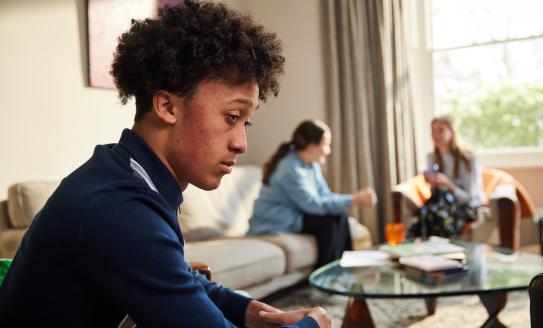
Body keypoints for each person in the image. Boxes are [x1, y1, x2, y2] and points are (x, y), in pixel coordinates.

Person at [0, 2, 331, 327]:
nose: (241, 144)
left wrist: (252, 313)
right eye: (231, 117)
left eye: (245, 123)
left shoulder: (125, 172)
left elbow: (175, 274)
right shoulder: (119, 208)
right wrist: (312, 324)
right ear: (167, 107)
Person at [248, 120, 377, 268]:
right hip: (274, 220)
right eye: (326, 144)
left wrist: (352, 199)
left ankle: (344, 271)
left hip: (296, 214)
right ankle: (323, 278)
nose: (328, 151)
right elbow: (313, 205)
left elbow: (325, 196)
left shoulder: (312, 165)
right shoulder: (290, 169)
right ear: (311, 146)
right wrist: (354, 200)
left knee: (340, 216)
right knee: (327, 223)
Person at [409, 115, 485, 238]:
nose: (436, 135)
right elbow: (436, 194)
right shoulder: (431, 157)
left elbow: (471, 198)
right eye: (433, 130)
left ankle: (441, 249)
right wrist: (432, 182)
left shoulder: (468, 159)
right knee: (433, 207)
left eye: (440, 130)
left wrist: (449, 185)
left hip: (467, 206)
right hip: (442, 204)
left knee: (435, 214)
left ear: (452, 132)